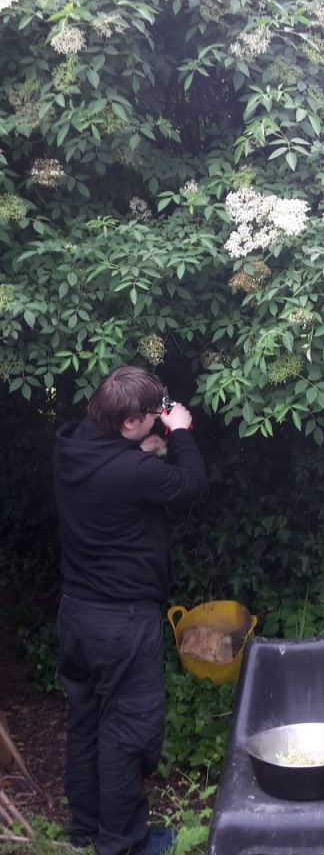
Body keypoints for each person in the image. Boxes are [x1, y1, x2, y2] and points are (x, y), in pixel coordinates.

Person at [53, 366, 207, 855]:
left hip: (76, 612)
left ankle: (84, 830)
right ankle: (122, 843)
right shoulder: (133, 472)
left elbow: (114, 462)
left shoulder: (72, 444)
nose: (160, 417)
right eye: (152, 414)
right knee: (127, 730)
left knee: (86, 721)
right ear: (125, 424)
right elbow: (190, 485)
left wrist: (142, 446)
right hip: (121, 623)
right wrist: (179, 433)